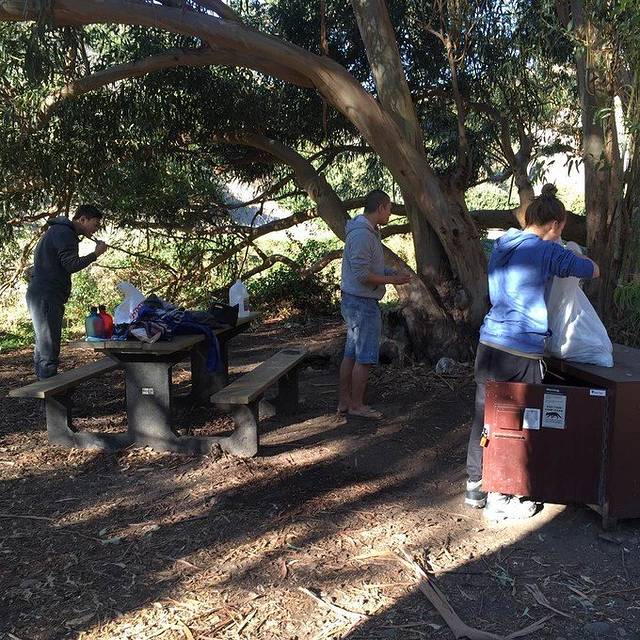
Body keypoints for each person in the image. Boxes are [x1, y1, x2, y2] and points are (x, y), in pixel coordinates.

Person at [465, 184, 600, 521]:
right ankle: (502, 496)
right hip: (521, 349)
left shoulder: (503, 245)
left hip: (490, 342)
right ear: (554, 224)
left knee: (485, 416)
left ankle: (475, 485)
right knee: (518, 421)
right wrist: (569, 250)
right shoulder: (546, 251)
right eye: (560, 229)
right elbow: (591, 270)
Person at [337, 190, 410, 419]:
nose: (390, 214)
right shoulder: (362, 235)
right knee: (364, 356)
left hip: (356, 301)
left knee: (351, 354)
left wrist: (389, 272)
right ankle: (356, 405)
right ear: (380, 208)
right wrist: (392, 280)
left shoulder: (367, 232)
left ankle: (345, 402)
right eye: (389, 209)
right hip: (362, 303)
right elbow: (361, 275)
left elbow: (368, 268)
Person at [26, 205, 108, 379]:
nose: (96, 229)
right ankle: (50, 390)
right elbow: (71, 264)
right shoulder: (65, 233)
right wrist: (95, 254)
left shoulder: (57, 231)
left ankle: (45, 387)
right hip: (47, 295)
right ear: (82, 219)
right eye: (95, 224)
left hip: (43, 294)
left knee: (43, 346)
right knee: (48, 347)